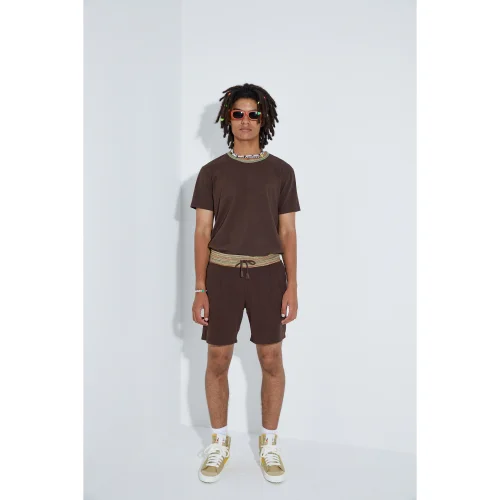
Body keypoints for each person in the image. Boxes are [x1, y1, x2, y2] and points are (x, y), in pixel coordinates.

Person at [190, 83, 301, 483]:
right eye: (238, 113)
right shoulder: (211, 173)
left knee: (271, 359)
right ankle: (219, 442)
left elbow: (287, 232)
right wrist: (200, 288)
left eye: (254, 114)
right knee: (217, 360)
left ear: (263, 119)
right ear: (228, 119)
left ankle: (269, 444)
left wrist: (292, 286)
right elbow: (202, 232)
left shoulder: (282, 171)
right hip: (221, 275)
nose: (246, 120)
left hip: (269, 274)